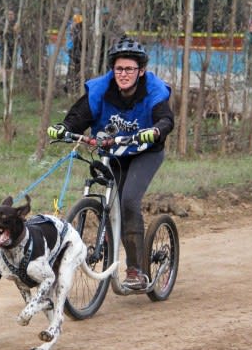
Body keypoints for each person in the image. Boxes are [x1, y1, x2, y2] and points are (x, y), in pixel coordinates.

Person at [47, 35, 174, 290]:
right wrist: (64, 128)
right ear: (112, 69)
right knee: (109, 200)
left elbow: (165, 119)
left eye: (129, 69)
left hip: (145, 152)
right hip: (114, 151)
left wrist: (157, 130)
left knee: (127, 201)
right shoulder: (101, 89)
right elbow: (79, 115)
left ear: (141, 71)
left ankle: (136, 269)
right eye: (119, 68)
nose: (124, 74)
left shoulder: (154, 90)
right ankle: (107, 245)